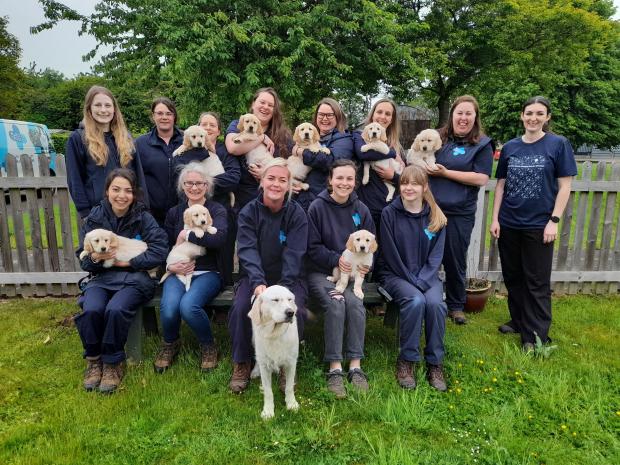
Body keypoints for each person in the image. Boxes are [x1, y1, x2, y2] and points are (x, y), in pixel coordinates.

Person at [490, 96, 576, 351]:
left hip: (539, 225)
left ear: (547, 117)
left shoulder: (558, 144)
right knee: (513, 277)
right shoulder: (511, 147)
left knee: (536, 281)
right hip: (509, 223)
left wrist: (554, 221)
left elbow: (565, 186)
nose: (533, 118)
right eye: (529, 113)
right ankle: (518, 321)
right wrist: (495, 218)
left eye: (539, 113)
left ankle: (535, 336)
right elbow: (501, 185)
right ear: (522, 115)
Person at [75, 168, 168, 393]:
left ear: (134, 194)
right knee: (92, 309)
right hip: (101, 277)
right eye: (116, 189)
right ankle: (94, 360)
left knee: (116, 309)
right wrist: (97, 259)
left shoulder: (143, 217)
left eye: (128, 191)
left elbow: (160, 250)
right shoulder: (96, 218)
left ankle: (112, 363)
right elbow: (84, 259)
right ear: (107, 191)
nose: (121, 195)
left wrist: (127, 263)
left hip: (137, 278)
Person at [227, 158, 308, 394]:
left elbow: (295, 253)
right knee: (242, 307)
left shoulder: (296, 214)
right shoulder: (248, 212)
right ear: (262, 181)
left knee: (296, 308)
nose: (276, 184)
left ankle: (285, 366)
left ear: (289, 185)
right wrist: (258, 283)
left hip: (289, 280)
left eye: (282, 180)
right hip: (255, 278)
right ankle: (242, 361)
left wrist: (282, 289)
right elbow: (247, 249)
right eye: (271, 178)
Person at [306, 160, 375, 398]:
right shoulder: (317, 207)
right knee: (337, 302)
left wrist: (364, 268)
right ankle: (335, 368)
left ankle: (355, 366)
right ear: (330, 180)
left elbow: (371, 246)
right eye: (339, 178)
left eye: (349, 179)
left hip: (354, 273)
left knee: (355, 303)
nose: (344, 183)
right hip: (321, 271)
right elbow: (311, 247)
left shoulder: (361, 210)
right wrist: (337, 260)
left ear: (355, 182)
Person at [377, 165, 448, 391]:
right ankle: (406, 360)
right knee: (416, 301)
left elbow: (436, 256)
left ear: (424, 187)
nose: (409, 188)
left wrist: (422, 280)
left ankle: (435, 363)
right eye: (405, 183)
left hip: (426, 276)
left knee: (436, 304)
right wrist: (413, 282)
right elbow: (390, 254)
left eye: (415, 184)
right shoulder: (389, 213)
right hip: (396, 274)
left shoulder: (435, 215)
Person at [154, 162, 228, 373]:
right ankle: (170, 343)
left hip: (208, 272)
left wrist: (188, 234)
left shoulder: (217, 210)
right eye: (189, 183)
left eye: (199, 183)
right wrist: (171, 265)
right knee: (169, 309)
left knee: (189, 306)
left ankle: (208, 346)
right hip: (177, 269)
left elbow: (219, 240)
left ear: (207, 185)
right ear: (182, 186)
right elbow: (164, 245)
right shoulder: (175, 213)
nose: (194, 188)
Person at [428, 95, 494, 325]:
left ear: (475, 117)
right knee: (427, 257)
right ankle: (429, 299)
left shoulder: (482, 144)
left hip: (459, 213)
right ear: (452, 115)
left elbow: (481, 178)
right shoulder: (439, 138)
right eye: (459, 113)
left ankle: (456, 305)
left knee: (454, 259)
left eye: (468, 113)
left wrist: (446, 173)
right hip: (431, 210)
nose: (463, 118)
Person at [175, 112, 241, 285]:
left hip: (222, 208)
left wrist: (203, 183)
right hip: (193, 210)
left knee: (223, 254)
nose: (208, 128)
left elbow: (233, 178)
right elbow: (180, 176)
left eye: (212, 125)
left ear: (219, 131)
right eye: (204, 124)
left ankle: (223, 300)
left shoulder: (225, 151)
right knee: (193, 252)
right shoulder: (188, 150)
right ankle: (191, 289)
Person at [66, 85, 147, 220]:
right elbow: (75, 180)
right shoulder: (78, 139)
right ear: (89, 109)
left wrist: (142, 206)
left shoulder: (126, 138)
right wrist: (86, 214)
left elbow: (138, 175)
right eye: (98, 105)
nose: (103, 110)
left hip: (129, 212)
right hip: (98, 213)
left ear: (114, 109)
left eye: (108, 105)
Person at [225, 87, 292, 210]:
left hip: (273, 201)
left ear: (274, 110)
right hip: (243, 199)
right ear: (253, 104)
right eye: (262, 102)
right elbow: (233, 148)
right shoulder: (238, 124)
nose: (265, 107)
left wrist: (267, 175)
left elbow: (288, 167)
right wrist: (261, 138)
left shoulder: (284, 136)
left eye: (270, 105)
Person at [291, 98, 354, 210]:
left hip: (323, 203)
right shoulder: (307, 136)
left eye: (329, 115)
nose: (324, 118)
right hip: (299, 200)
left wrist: (299, 151)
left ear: (337, 117)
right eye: (321, 115)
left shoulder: (344, 139)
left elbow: (329, 161)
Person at [355, 98, 405, 232]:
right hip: (366, 206)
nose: (383, 117)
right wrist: (392, 154)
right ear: (372, 114)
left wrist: (393, 176)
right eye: (379, 112)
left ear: (392, 119)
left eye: (388, 114)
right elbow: (364, 154)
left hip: (390, 208)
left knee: (387, 250)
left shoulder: (398, 147)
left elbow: (407, 180)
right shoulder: (359, 137)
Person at [134, 97, 184, 225]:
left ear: (174, 116)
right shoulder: (141, 144)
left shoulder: (187, 140)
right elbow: (134, 177)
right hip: (152, 215)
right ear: (153, 116)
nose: (164, 117)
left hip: (183, 213)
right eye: (160, 113)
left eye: (169, 113)